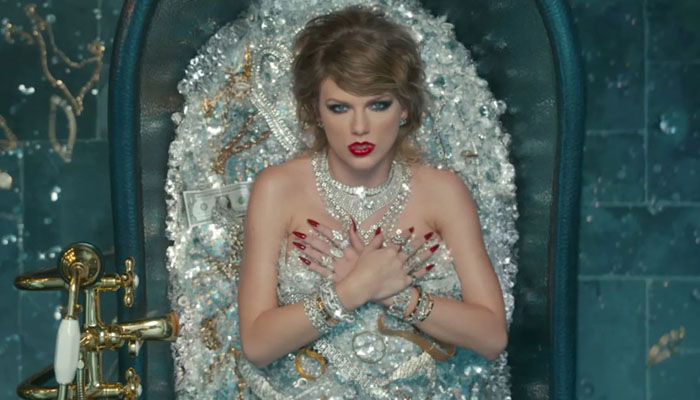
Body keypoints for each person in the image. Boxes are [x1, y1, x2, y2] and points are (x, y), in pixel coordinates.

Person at [237, 5, 507, 399]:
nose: (359, 127)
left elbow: (492, 336)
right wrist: (354, 289)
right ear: (315, 111)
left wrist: (397, 295)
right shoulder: (277, 189)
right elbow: (257, 344)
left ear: (405, 108)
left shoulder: (444, 192)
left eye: (378, 105)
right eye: (340, 107)